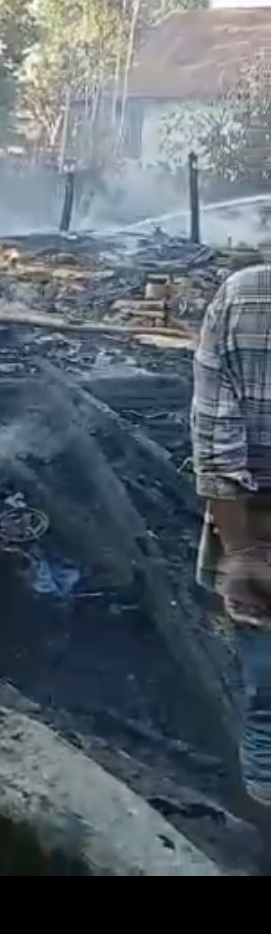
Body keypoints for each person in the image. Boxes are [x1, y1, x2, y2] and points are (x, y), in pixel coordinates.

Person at [192, 262, 271, 810]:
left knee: (267, 706)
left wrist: (241, 553)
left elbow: (215, 444)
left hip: (259, 537)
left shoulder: (243, 295)